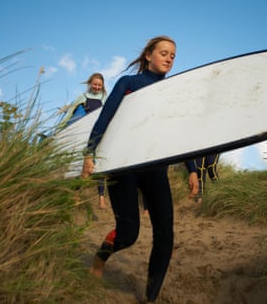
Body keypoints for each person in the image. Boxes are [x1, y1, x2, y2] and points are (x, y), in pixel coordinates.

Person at [82, 36, 196, 303]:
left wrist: (191, 169)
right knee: (128, 234)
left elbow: (178, 133)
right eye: (164, 53)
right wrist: (90, 153)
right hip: (124, 167)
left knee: (165, 235)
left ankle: (150, 297)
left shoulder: (172, 93)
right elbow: (104, 118)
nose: (169, 58)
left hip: (156, 169)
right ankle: (101, 256)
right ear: (148, 55)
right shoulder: (129, 84)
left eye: (173, 55)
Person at [58, 72, 109, 208]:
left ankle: (101, 198)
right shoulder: (82, 97)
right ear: (89, 84)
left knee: (100, 166)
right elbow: (70, 113)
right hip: (83, 135)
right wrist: (60, 128)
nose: (97, 87)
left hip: (97, 134)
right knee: (81, 166)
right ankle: (76, 193)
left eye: (99, 85)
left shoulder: (105, 98)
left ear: (102, 85)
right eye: (95, 84)